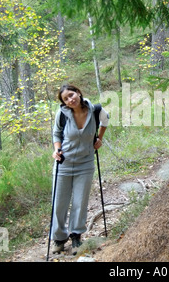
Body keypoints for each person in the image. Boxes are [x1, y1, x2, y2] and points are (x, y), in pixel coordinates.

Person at [51, 83, 109, 255]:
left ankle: (76, 236)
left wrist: (99, 138)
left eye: (72, 94)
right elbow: (56, 133)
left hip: (85, 163)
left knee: (80, 202)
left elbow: (105, 120)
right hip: (64, 162)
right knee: (59, 203)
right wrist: (56, 149)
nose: (70, 99)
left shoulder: (95, 110)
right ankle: (59, 239)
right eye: (66, 99)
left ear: (78, 92)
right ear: (64, 103)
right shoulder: (62, 114)